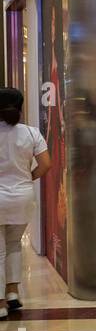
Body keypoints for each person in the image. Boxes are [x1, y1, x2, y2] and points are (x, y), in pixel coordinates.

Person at [0, 88, 51, 317]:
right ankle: (12, 292)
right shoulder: (31, 133)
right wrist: (25, 179)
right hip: (22, 197)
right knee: (13, 245)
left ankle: (0, 303)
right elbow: (45, 164)